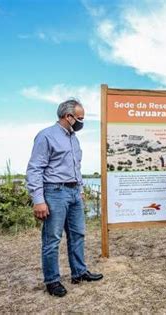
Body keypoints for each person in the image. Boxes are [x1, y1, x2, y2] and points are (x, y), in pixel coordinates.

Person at [26, 99, 103, 297]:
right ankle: (52, 280)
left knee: (78, 234)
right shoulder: (46, 136)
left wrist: (81, 189)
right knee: (52, 239)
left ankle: (79, 272)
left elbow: (76, 167)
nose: (82, 122)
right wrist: (38, 200)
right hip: (54, 192)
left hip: (74, 192)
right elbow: (35, 169)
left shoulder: (73, 138)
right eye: (80, 118)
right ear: (68, 116)